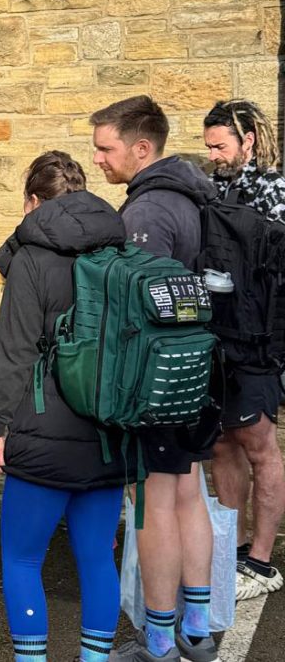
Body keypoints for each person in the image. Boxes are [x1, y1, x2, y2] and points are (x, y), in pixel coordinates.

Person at [0, 151, 131, 662]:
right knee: (97, 559)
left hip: (41, 431)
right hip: (108, 431)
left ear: (33, 201)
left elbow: (15, 351)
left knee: (22, 560)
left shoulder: (31, 257)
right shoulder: (119, 250)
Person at [91, 96, 220, 662]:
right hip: (198, 372)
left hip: (157, 381)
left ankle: (162, 642)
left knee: (153, 505)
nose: (98, 159)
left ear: (141, 148)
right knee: (190, 495)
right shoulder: (195, 195)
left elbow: (137, 311)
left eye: (105, 148)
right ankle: (198, 631)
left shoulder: (146, 212)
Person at [204, 99, 285, 600]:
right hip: (217, 339)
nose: (212, 155)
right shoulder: (213, 187)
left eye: (219, 146)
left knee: (259, 446)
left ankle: (261, 562)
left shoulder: (275, 191)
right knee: (221, 443)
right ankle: (232, 551)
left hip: (258, 343)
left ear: (248, 140)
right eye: (209, 146)